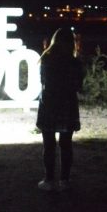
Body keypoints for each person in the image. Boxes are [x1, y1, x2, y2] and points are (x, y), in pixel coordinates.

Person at [36, 28, 83, 192]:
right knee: (66, 144)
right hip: (68, 104)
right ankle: (65, 180)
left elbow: (43, 81)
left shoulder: (46, 59)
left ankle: (49, 180)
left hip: (49, 103)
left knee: (48, 145)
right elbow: (79, 85)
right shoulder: (75, 62)